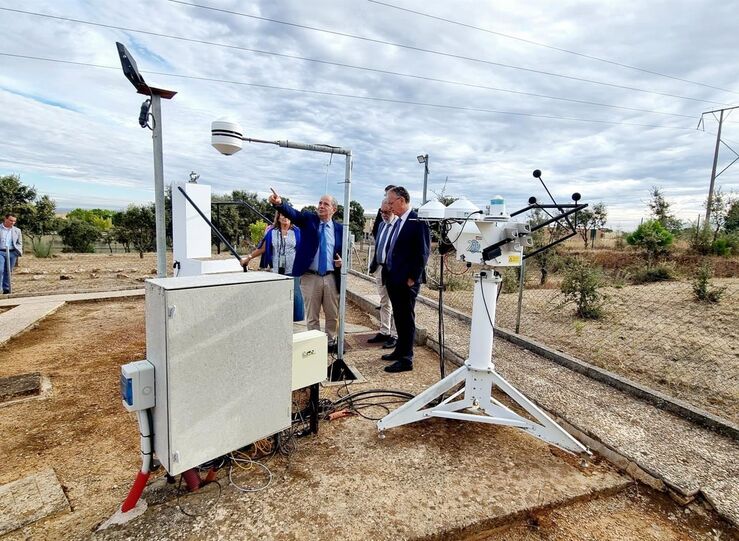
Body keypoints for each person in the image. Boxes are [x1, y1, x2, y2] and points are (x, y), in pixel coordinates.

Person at [268, 188, 343, 346]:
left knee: (332, 314)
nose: (321, 206)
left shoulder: (340, 229)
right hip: (310, 276)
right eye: (320, 203)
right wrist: (280, 204)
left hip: (331, 277)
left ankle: (330, 342)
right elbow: (293, 214)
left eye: (325, 204)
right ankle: (314, 345)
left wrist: (342, 263)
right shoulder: (309, 219)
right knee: (312, 315)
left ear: (334, 209)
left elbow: (343, 252)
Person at [381, 187, 430, 373]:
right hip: (394, 278)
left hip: (406, 281)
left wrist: (412, 278)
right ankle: (399, 350)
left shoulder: (417, 221)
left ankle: (406, 359)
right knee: (399, 318)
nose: (389, 206)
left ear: (402, 201)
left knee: (406, 319)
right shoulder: (399, 221)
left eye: (391, 202)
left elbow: (423, 253)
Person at [241, 212, 304, 322]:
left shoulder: (297, 232)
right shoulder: (272, 232)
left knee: (296, 294)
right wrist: (248, 258)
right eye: (282, 215)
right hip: (277, 269)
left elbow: (305, 249)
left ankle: (298, 320)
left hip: (294, 268)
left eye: (288, 215)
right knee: (279, 294)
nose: (285, 217)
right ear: (278, 217)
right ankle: (280, 317)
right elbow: (262, 248)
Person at [367, 199, 397, 349]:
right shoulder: (381, 225)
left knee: (396, 303)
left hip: (393, 270)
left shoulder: (398, 226)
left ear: (394, 209)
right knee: (384, 301)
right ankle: (384, 331)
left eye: (387, 212)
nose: (384, 215)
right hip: (380, 268)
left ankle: (396, 335)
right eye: (381, 212)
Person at [0, 213, 22, 295]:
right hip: (1, 251)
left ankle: (6, 289)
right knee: (0, 270)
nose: (12, 222)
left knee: (9, 271)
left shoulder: (17, 230)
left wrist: (18, 252)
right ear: (5, 219)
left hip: (12, 252)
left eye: (14, 221)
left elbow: (19, 242)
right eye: (10, 220)